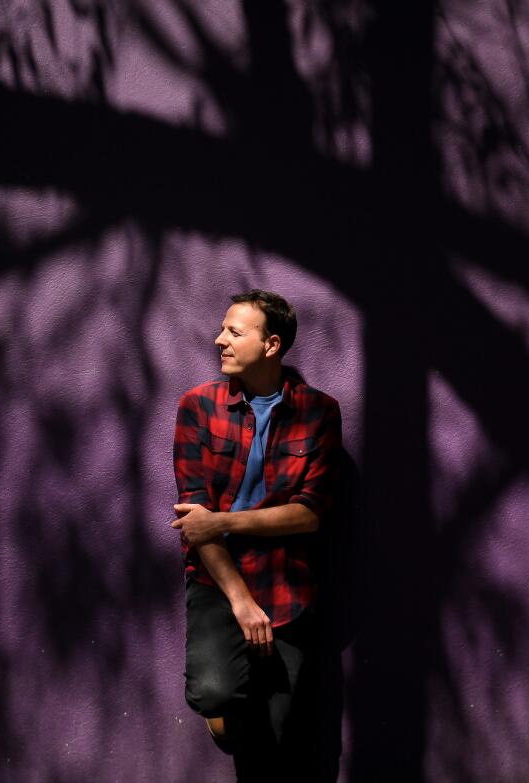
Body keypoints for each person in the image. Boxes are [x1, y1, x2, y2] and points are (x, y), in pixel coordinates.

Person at [171, 290, 342, 780]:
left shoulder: (319, 412)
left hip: (286, 582)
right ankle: (229, 721)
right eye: (223, 329)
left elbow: (309, 514)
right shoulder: (198, 407)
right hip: (216, 576)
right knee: (213, 696)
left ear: (271, 345)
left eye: (234, 332)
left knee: (277, 733)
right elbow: (193, 518)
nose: (219, 339)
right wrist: (241, 602)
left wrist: (221, 520)